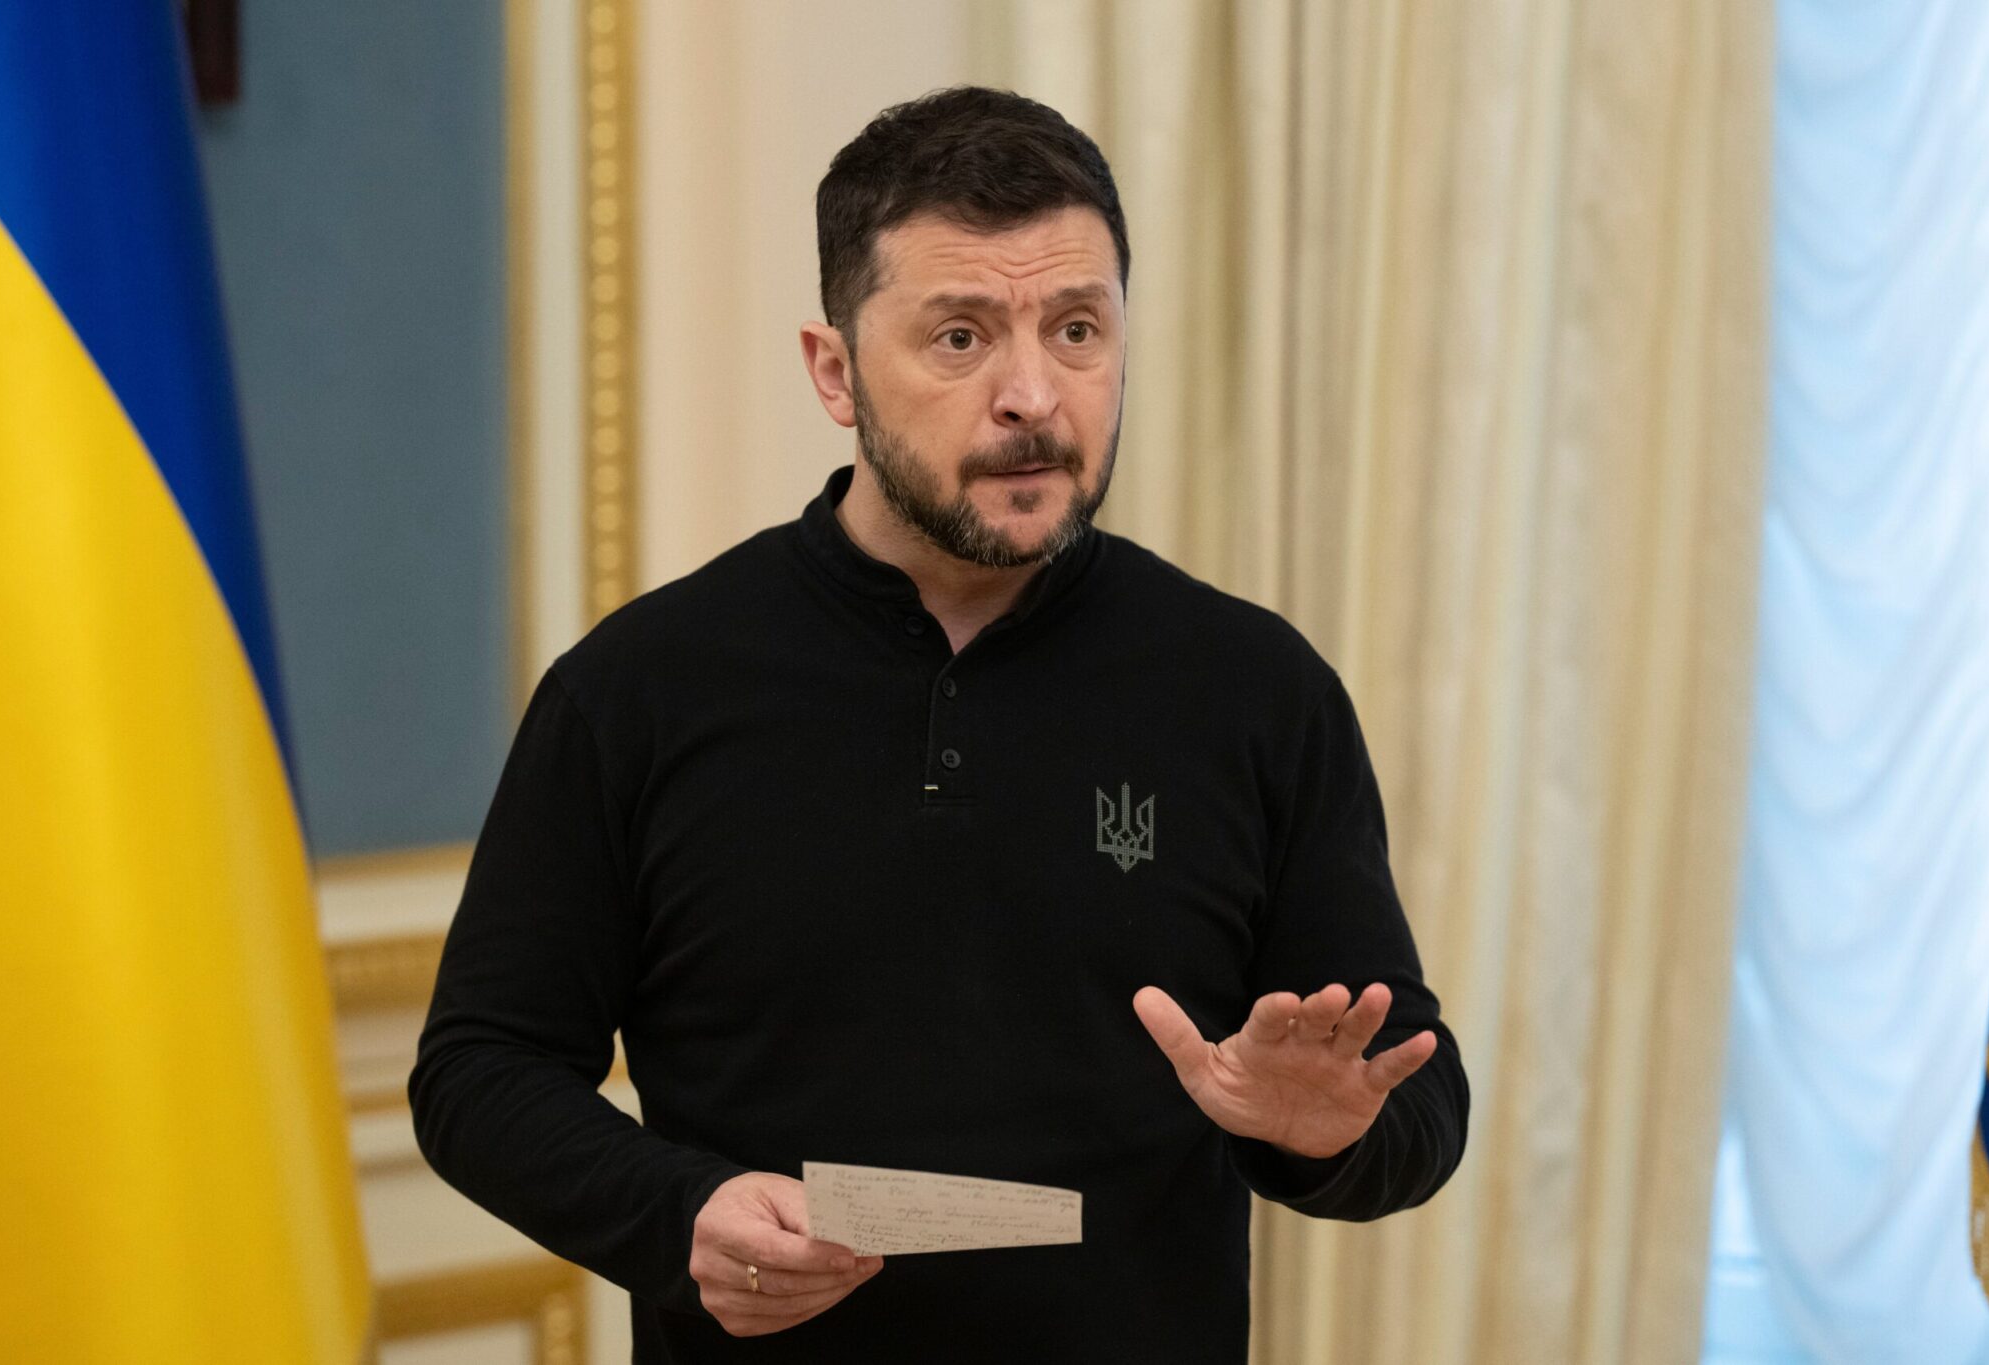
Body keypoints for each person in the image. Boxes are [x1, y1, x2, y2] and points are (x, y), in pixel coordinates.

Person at [409, 84, 1469, 1364]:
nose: (1032, 395)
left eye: (1075, 330)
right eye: (960, 338)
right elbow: (480, 1071)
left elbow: (1415, 1099)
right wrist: (676, 1212)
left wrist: (1327, 1131)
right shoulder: (638, 688)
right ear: (835, 371)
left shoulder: (1255, 689)